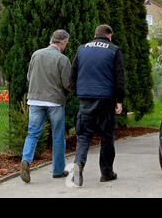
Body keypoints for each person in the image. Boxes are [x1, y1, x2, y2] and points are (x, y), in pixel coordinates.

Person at [69, 24, 125, 187]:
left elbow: (72, 75)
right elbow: (119, 78)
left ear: (95, 35)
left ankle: (79, 165)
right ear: (109, 36)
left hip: (86, 98)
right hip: (106, 99)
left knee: (83, 135)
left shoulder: (81, 49)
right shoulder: (114, 50)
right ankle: (106, 173)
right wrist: (119, 100)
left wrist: (78, 93)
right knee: (107, 136)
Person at [21, 30, 71, 183]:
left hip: (35, 100)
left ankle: (26, 160)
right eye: (66, 43)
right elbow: (67, 83)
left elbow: (29, 77)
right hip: (54, 102)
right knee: (57, 136)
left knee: (33, 133)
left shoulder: (36, 54)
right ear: (62, 42)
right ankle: (57, 170)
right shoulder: (62, 59)